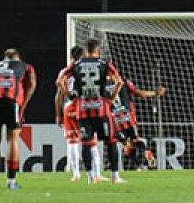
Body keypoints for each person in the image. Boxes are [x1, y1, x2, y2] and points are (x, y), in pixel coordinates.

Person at [57, 39, 124, 184]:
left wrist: (69, 94)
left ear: (85, 51)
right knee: (111, 141)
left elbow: (59, 81)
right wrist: (112, 98)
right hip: (101, 108)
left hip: (82, 108)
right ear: (97, 51)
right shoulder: (104, 64)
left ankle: (90, 177)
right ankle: (115, 176)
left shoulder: (76, 65)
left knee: (86, 143)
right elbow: (119, 81)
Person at [0, 49, 36, 189]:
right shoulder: (24, 66)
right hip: (12, 101)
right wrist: (23, 103)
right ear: (18, 57)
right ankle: (11, 181)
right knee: (13, 139)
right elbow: (33, 83)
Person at [107, 78, 166, 171]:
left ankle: (138, 166)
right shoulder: (124, 82)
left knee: (127, 145)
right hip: (129, 119)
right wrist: (155, 93)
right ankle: (146, 153)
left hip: (116, 121)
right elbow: (140, 93)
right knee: (134, 141)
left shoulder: (101, 85)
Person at [56, 45, 95, 182]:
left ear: (71, 57)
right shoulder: (87, 69)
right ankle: (95, 173)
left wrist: (58, 114)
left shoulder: (64, 71)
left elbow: (59, 95)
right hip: (85, 106)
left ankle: (76, 174)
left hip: (69, 107)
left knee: (72, 142)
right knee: (90, 141)